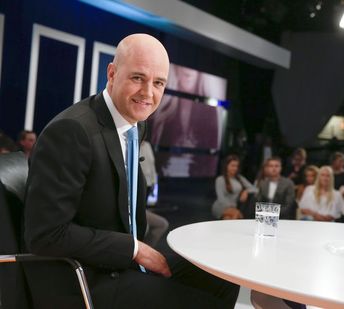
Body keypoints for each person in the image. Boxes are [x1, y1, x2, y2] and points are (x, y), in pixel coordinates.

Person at [24, 34, 238, 308]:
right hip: (82, 279)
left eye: (158, 83)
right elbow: (46, 236)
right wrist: (133, 250)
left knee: (221, 276)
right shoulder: (72, 131)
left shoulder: (134, 125)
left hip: (116, 264)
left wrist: (133, 251)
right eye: (138, 78)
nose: (148, 93)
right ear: (112, 73)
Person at [140, 140, 169, 247]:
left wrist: (153, 181)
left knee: (143, 207)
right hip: (139, 182)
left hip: (148, 182)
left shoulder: (147, 145)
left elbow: (152, 164)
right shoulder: (131, 144)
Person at [211, 155, 257, 219]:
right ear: (226, 166)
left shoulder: (240, 178)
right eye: (232, 166)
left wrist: (246, 191)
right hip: (220, 207)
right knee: (237, 216)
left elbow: (255, 189)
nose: (235, 168)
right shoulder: (220, 179)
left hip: (234, 208)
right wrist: (232, 208)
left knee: (229, 219)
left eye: (236, 166)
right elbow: (221, 198)